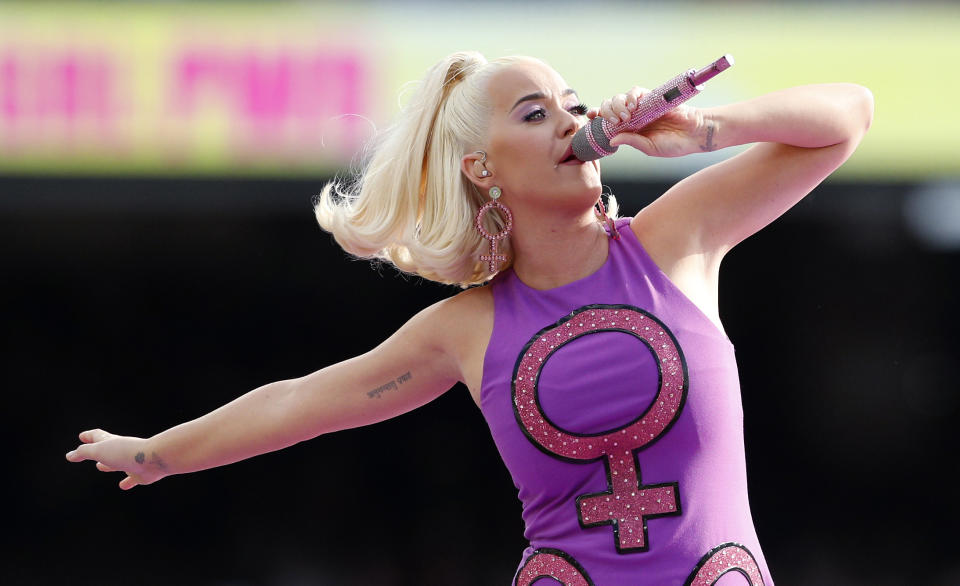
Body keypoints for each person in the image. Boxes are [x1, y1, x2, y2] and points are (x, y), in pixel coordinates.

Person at [66, 51, 873, 585]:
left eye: (573, 104)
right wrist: (158, 453)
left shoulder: (677, 239)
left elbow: (849, 116)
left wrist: (704, 129)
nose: (570, 122)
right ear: (480, 169)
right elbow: (298, 404)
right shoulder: (466, 329)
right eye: (533, 113)